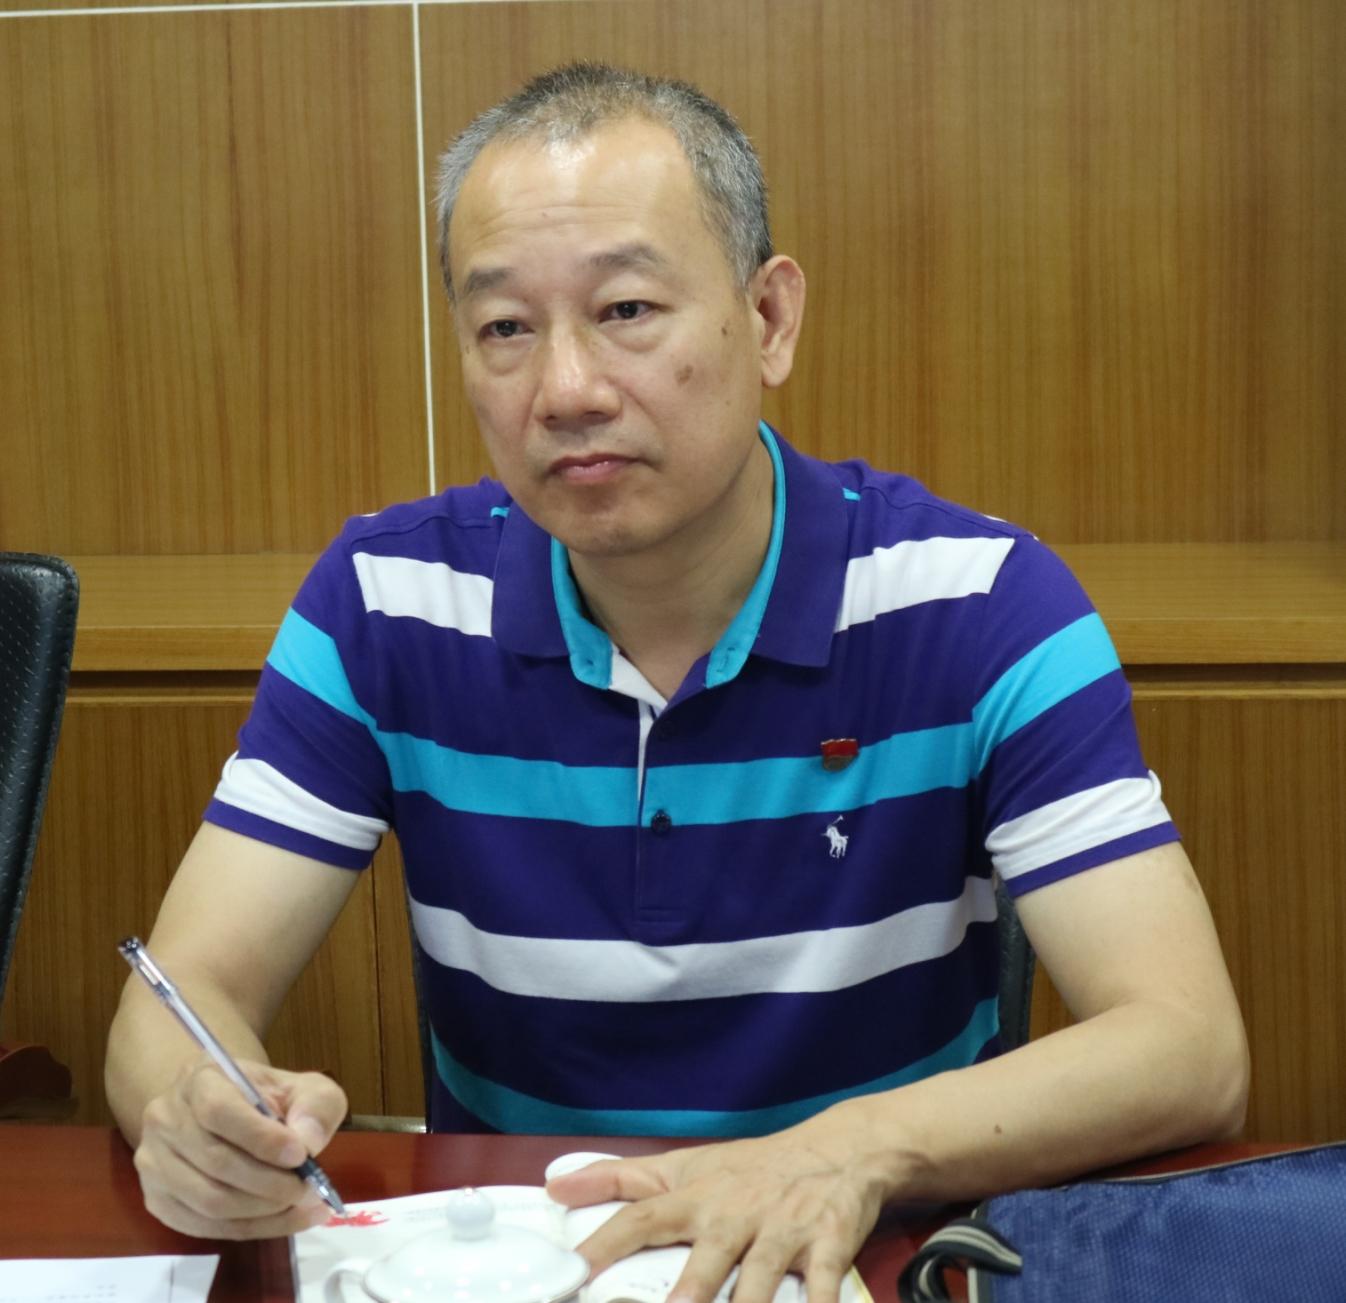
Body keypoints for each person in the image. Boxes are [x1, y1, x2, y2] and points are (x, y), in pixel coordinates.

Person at [106, 62, 1248, 1303]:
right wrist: (197, 1111)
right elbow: (183, 989)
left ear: (768, 318)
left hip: (863, 1260)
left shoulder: (979, 603)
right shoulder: (385, 602)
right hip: (529, 1266)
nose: (565, 390)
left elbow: (1186, 1045)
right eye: (504, 328)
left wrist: (841, 1152)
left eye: (627, 309)